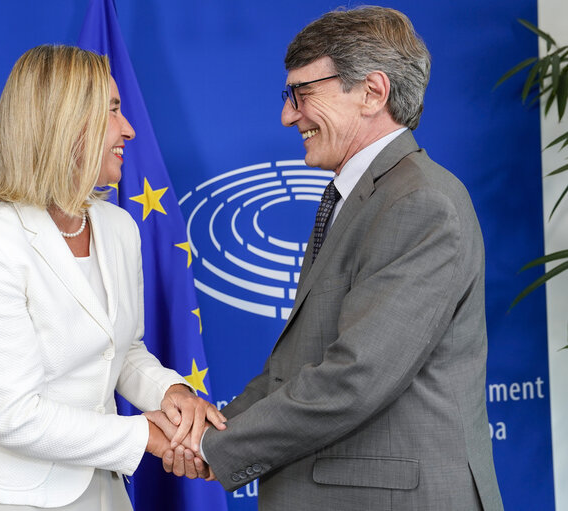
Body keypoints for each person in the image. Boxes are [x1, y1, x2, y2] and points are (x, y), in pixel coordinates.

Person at [152, 6, 504, 510]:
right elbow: (302, 364)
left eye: (303, 93)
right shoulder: (354, 195)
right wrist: (214, 426)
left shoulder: (422, 203)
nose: (288, 115)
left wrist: (213, 445)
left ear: (372, 92)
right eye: (288, 95)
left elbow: (354, 377)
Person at [0, 45, 225, 510]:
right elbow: (12, 416)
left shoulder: (119, 227)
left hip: (98, 485)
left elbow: (122, 351)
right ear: (64, 125)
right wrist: (143, 434)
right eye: (112, 111)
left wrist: (172, 392)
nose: (129, 129)